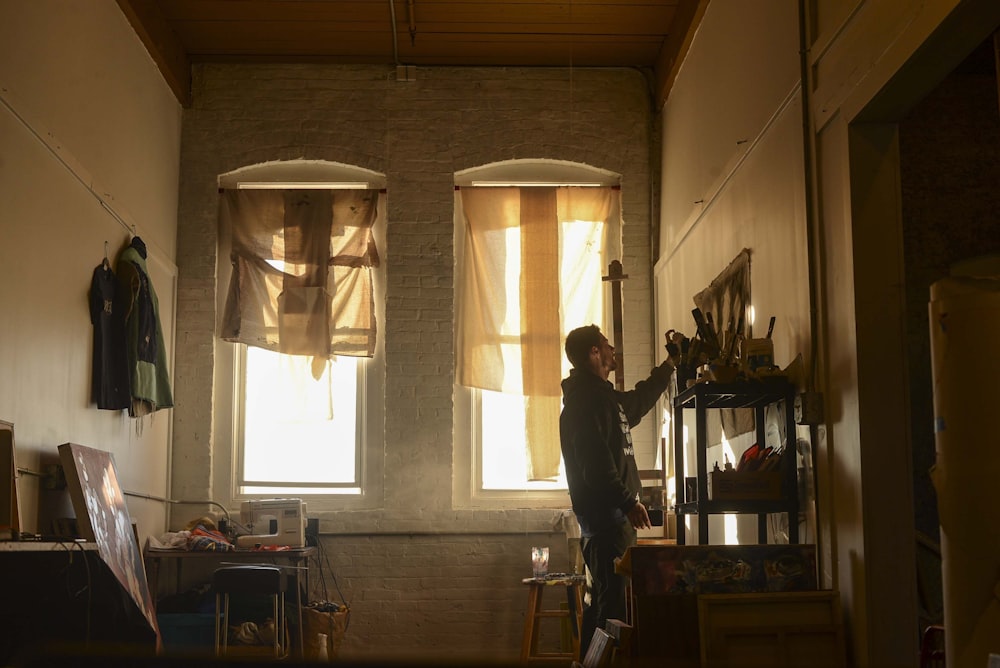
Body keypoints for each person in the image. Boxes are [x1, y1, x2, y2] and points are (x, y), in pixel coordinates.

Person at [559, 324, 675, 655]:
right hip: (607, 522)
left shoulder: (603, 398)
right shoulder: (585, 403)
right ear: (594, 353)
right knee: (612, 613)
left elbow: (638, 400)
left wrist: (669, 366)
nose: (613, 352)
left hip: (612, 521)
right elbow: (595, 465)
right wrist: (627, 502)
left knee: (606, 607)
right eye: (607, 346)